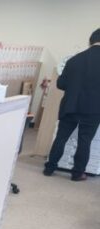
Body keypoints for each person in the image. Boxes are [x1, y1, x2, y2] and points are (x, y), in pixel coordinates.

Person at [44, 29, 100, 181]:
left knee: (61, 137)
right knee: (85, 140)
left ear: (90, 41)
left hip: (70, 105)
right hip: (94, 109)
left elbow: (61, 84)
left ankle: (49, 168)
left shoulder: (74, 60)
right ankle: (77, 173)